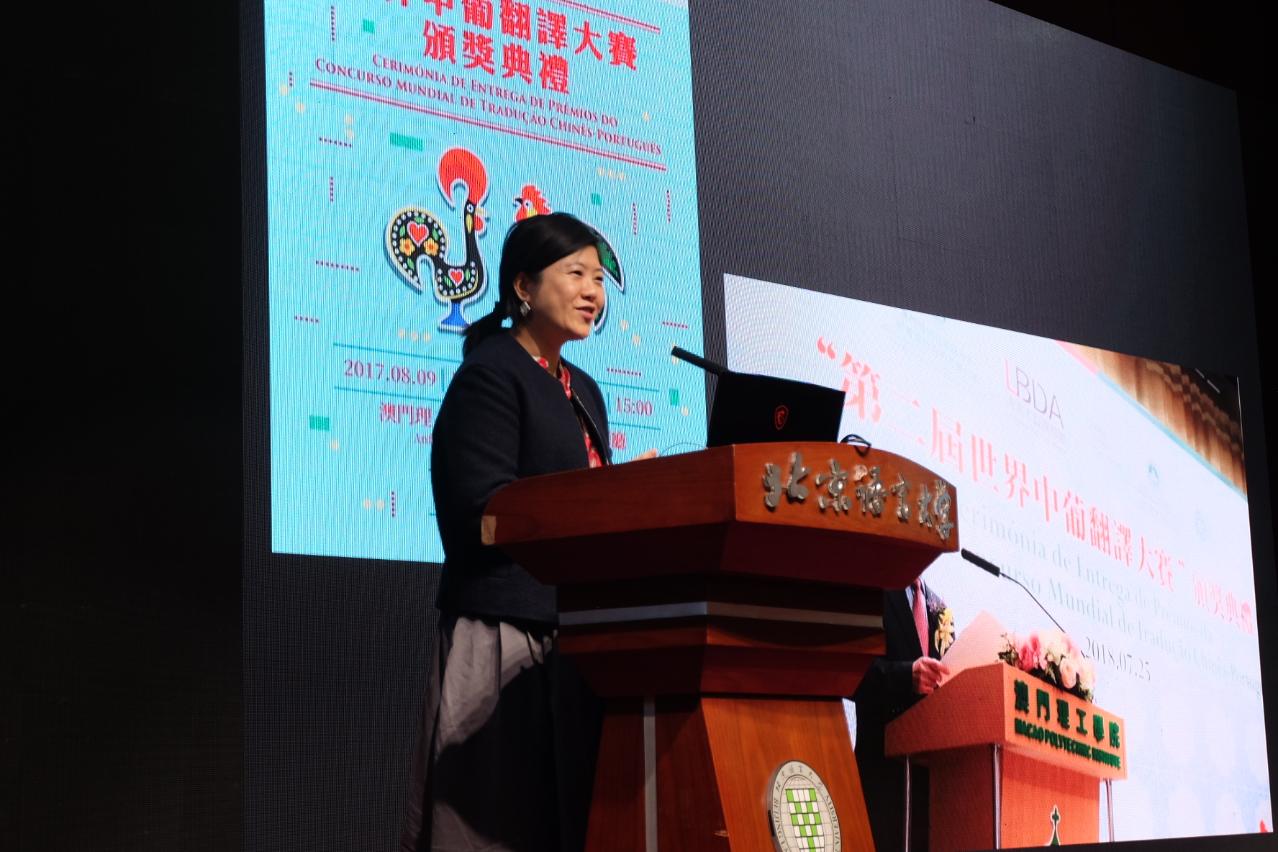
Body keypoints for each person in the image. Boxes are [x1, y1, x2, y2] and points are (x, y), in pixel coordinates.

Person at [401, 212, 641, 852]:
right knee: (489, 822)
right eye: (577, 274)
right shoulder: (492, 374)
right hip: (501, 630)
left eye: (599, 279)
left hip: (573, 637)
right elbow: (478, 512)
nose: (593, 291)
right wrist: (596, 501)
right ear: (524, 287)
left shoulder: (583, 389)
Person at [852, 578, 952, 852]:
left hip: (929, 786)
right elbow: (851, 670)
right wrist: (906, 676)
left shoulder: (938, 606)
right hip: (881, 775)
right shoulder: (876, 589)